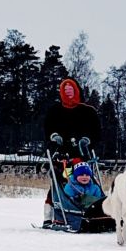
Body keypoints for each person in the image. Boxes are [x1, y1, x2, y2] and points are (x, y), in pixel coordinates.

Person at [43, 79, 102, 224]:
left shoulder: (87, 111)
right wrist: (54, 136)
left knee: (88, 183)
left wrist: (88, 140)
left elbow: (96, 131)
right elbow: (48, 128)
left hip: (83, 156)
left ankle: (94, 209)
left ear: (76, 91)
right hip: (62, 156)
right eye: (65, 90)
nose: (68, 92)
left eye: (71, 89)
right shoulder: (55, 111)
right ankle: (52, 214)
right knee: (60, 184)